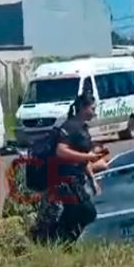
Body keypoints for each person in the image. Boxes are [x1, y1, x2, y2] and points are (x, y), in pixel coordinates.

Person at [30, 93, 107, 244]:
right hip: (65, 180)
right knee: (87, 212)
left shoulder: (83, 128)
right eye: (92, 108)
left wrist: (92, 180)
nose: (94, 112)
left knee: (78, 213)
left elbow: (84, 158)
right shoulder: (70, 126)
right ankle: (57, 239)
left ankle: (58, 241)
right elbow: (61, 151)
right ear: (83, 108)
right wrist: (87, 158)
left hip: (76, 179)